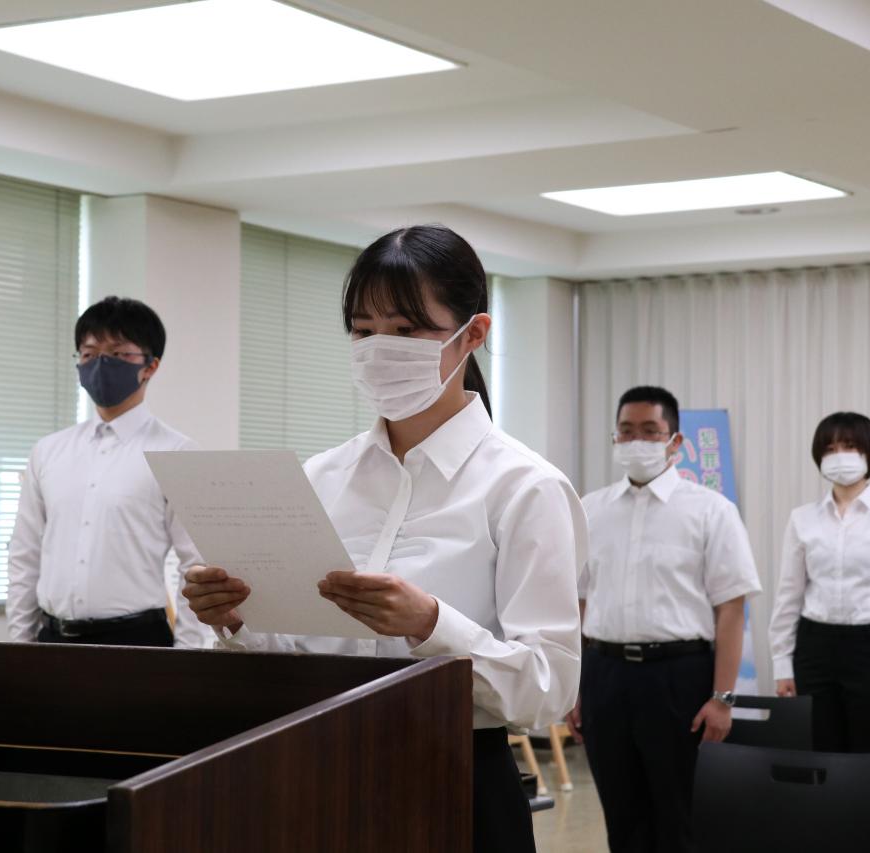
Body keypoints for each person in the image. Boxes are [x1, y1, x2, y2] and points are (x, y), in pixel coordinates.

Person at [183, 225, 585, 853]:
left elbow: (549, 689)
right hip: (316, 770)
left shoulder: (526, 487)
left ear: (472, 334)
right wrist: (235, 621)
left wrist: (432, 624)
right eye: (363, 332)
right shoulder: (321, 476)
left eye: (405, 330)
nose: (379, 349)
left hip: (454, 777)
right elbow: (293, 648)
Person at [569, 385, 761, 853]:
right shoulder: (590, 510)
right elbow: (577, 605)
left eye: (650, 431)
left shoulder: (711, 510)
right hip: (604, 676)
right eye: (627, 431)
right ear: (614, 439)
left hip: (678, 678)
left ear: (675, 442)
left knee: (679, 816)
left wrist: (722, 697)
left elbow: (731, 609)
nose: (638, 441)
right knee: (621, 814)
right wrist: (574, 689)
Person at [7, 296, 213, 649]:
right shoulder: (48, 451)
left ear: (150, 366)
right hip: (51, 639)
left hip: (137, 641)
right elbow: (25, 554)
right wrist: (19, 643)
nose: (100, 364)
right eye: (88, 354)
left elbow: (196, 567)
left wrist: (188, 657)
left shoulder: (177, 453)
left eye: (117, 354)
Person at [769, 412, 870, 851]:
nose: (840, 457)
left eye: (849, 447)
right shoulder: (803, 519)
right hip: (814, 647)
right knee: (820, 762)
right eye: (830, 448)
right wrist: (783, 661)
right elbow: (789, 595)